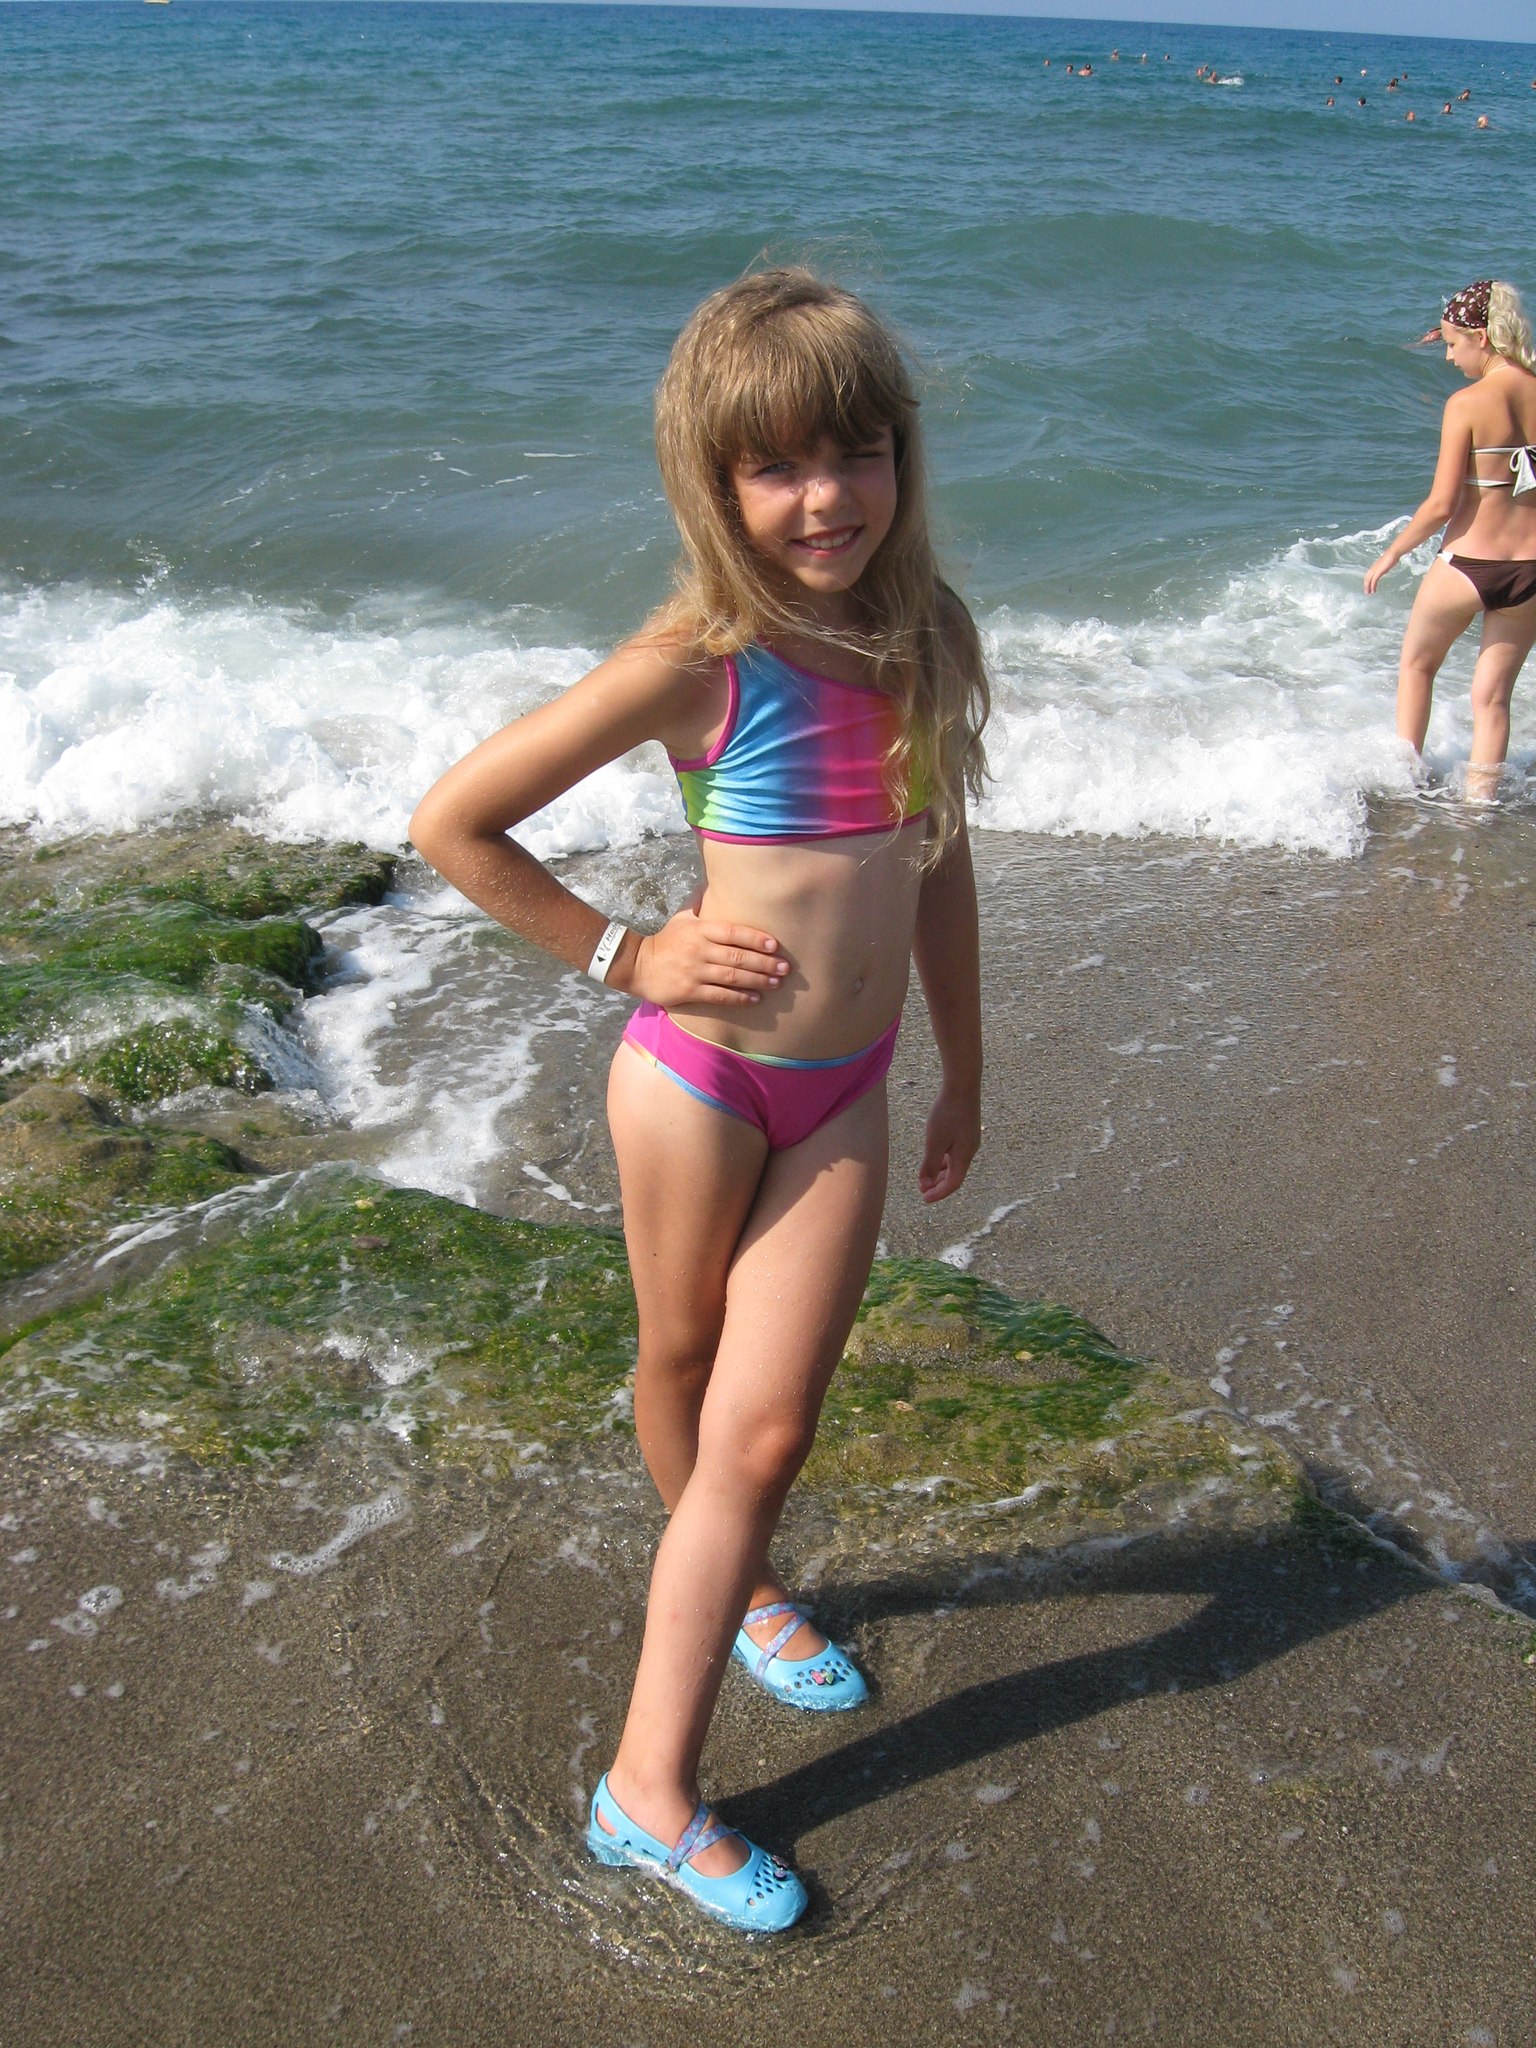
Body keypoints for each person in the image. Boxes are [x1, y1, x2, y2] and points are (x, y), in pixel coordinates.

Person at [410, 268, 989, 1932]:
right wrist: (627, 953)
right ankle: (660, 1767)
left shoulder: (926, 635)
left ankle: (689, 1677)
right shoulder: (701, 660)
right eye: (777, 466)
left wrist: (964, 1060)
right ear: (713, 481)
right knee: (682, 1363)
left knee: (770, 1422)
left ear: (901, 451)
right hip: (700, 1082)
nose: (826, 496)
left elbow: (940, 860)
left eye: (856, 450)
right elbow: (455, 821)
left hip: (848, 1092)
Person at [1365, 279, 1536, 799]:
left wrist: (1393, 552)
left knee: (1418, 667)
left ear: (1482, 338)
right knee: (1493, 699)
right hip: (1530, 571)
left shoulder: (1467, 403)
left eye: (1452, 343)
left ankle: (1405, 788)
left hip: (1468, 564)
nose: (1448, 356)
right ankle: (1480, 813)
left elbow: (1441, 504)